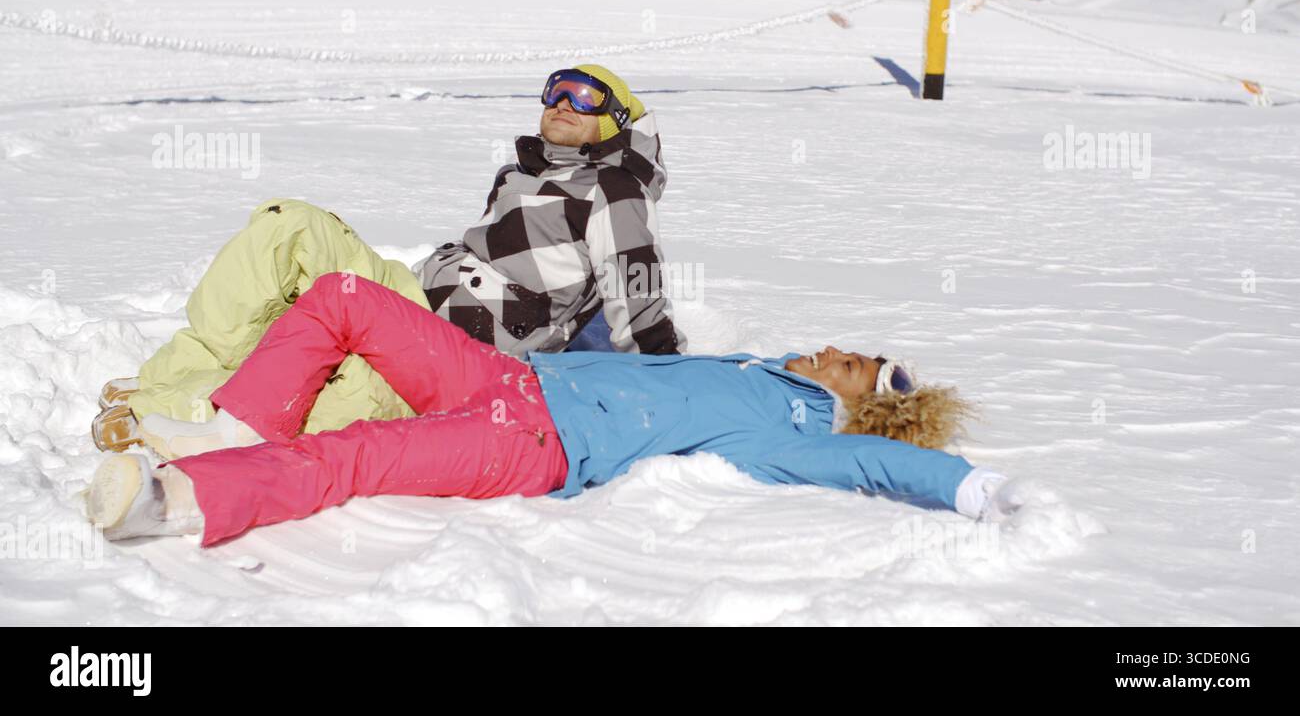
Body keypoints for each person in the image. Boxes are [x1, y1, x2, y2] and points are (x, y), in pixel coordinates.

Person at [84, 274, 1019, 547]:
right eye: (843, 348)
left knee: (358, 454)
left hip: (534, 442)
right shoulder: (761, 373)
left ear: (863, 407)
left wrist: (967, 485)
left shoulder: (795, 434)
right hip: (510, 380)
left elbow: (871, 467)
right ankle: (235, 434)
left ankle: (173, 501)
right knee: (343, 297)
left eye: (849, 364)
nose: (829, 351)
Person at [93, 64, 686, 453]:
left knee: (342, 392)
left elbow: (636, 292)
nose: (563, 102)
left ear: (614, 123)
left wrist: (675, 382)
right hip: (408, 295)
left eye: (585, 97)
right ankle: (172, 374)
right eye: (555, 90)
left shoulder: (616, 192)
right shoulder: (517, 175)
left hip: (457, 350)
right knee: (290, 224)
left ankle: (170, 407)